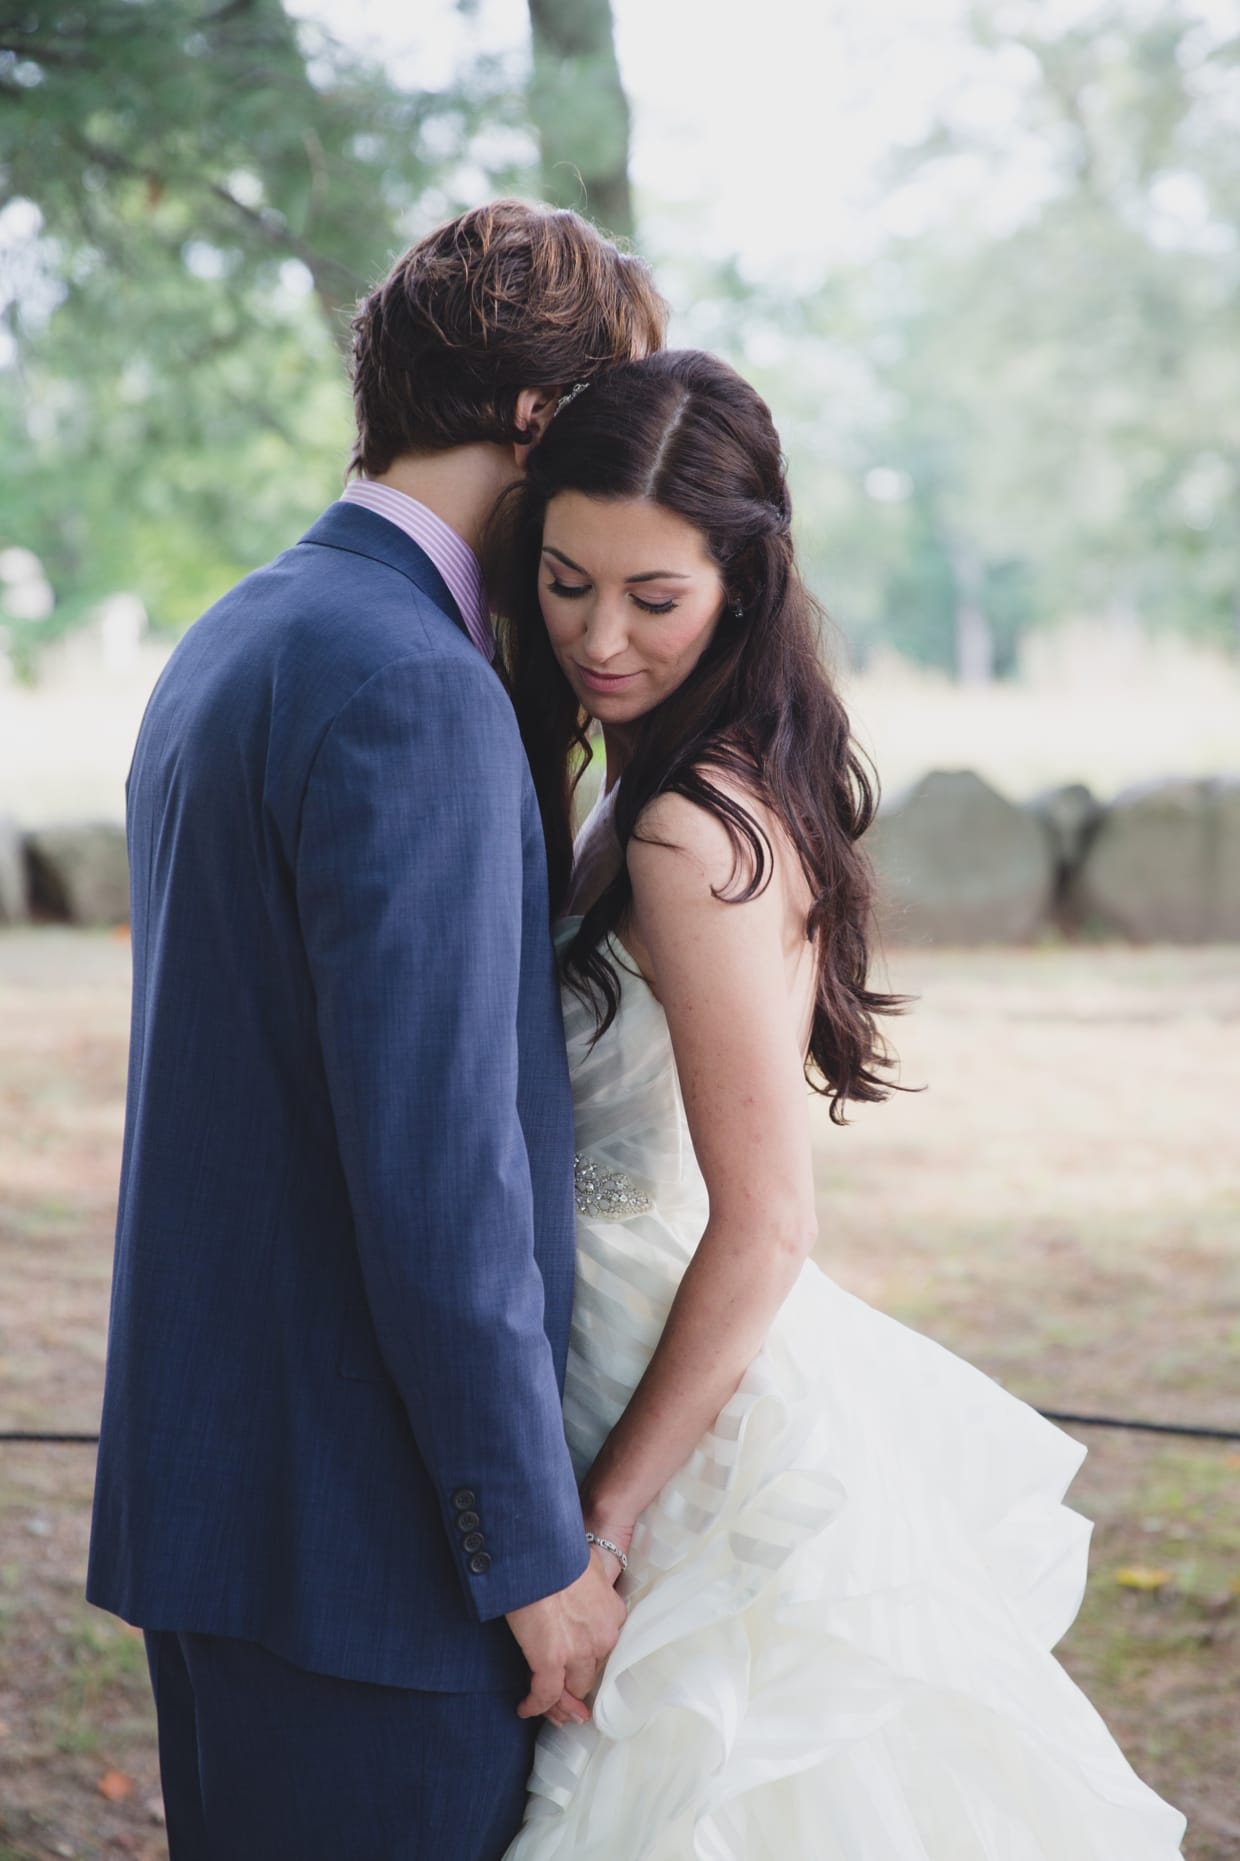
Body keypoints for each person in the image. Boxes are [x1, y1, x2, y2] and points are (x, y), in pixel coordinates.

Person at [489, 348, 1189, 1858]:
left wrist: (599, 1523)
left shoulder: (688, 826)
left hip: (677, 1407)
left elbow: (770, 1219)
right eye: (564, 579)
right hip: (623, 1343)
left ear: (740, 581)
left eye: (651, 599)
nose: (598, 634)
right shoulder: (674, 771)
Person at [85, 200, 666, 1860]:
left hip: (225, 1510)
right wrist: (529, 1554)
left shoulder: (245, 630)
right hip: (370, 1556)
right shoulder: (414, 682)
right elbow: (439, 1174)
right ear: (541, 421)